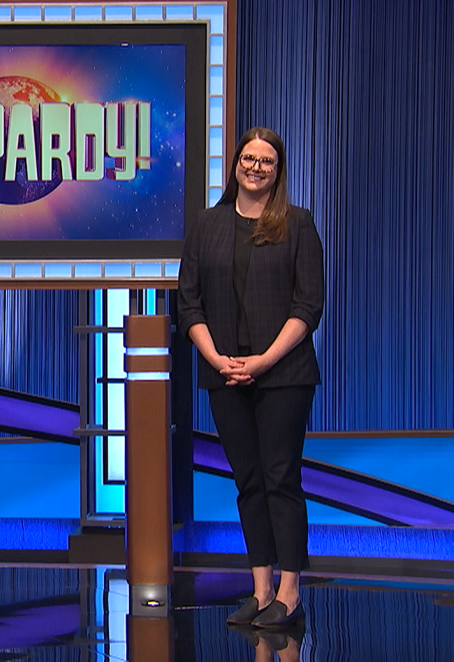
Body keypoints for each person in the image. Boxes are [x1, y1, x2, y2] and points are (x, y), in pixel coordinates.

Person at [176, 127, 324, 629]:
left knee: (281, 478)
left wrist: (262, 361)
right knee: (248, 482)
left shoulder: (297, 224)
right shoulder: (207, 225)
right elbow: (188, 300)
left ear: (278, 171)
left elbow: (309, 305)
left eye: (266, 161)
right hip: (223, 372)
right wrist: (216, 357)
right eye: (248, 158)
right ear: (235, 164)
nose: (256, 167)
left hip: (283, 374)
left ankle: (290, 590)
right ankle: (261, 589)